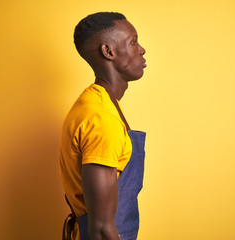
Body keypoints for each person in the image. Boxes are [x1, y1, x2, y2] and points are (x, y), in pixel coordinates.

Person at [60, 12, 147, 240]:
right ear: (108, 51)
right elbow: (100, 230)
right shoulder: (101, 119)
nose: (142, 49)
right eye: (133, 41)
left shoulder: (101, 104)